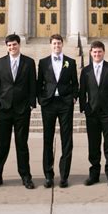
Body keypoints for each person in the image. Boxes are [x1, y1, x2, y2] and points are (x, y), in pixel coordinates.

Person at [0, 33, 37, 189]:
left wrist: (31, 104)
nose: (12, 48)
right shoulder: (0, 63)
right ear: (6, 47)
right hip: (4, 109)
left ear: (19, 45)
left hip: (22, 110)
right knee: (2, 144)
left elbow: (32, 85)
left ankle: (26, 176)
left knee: (22, 144)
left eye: (14, 45)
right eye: (9, 45)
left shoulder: (29, 62)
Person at [37, 34, 79, 188]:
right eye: (54, 43)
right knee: (47, 139)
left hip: (65, 103)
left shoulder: (71, 62)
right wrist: (41, 99)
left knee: (67, 139)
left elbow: (75, 83)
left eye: (59, 43)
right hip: (48, 104)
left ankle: (64, 175)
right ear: (50, 45)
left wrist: (74, 97)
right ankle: (48, 175)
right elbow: (39, 82)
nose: (57, 46)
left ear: (62, 45)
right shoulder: (43, 62)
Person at [79, 40, 108, 187]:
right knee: (93, 145)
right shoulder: (86, 71)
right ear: (90, 53)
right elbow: (82, 91)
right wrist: (84, 107)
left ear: (104, 52)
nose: (97, 54)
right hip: (92, 113)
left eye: (99, 52)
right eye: (94, 52)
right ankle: (94, 174)